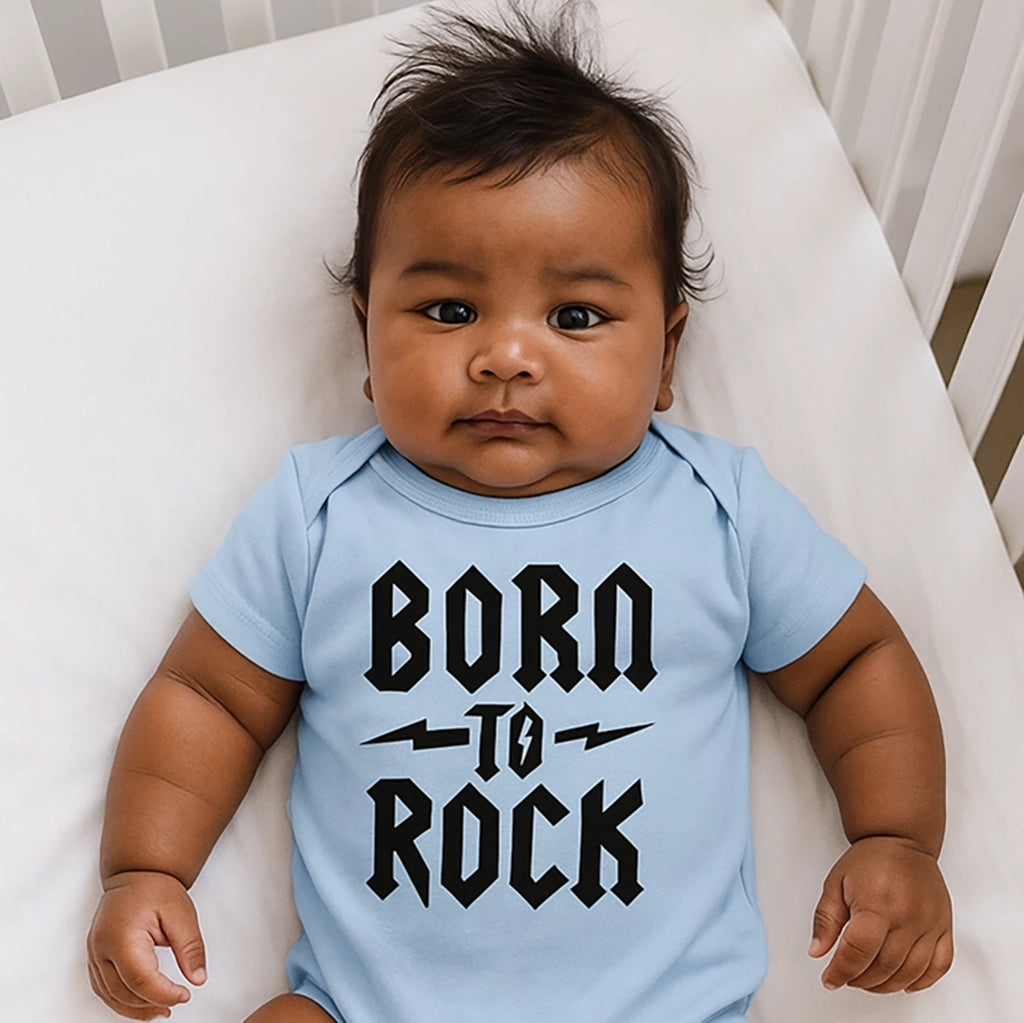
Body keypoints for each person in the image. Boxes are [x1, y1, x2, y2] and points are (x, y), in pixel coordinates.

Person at [86, 2, 953, 1021]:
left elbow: (856, 661)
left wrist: (894, 839)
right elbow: (208, 698)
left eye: (575, 316)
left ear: (667, 355)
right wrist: (143, 870)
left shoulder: (717, 509)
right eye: (449, 310)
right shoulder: (318, 514)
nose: (505, 355)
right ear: (367, 338)